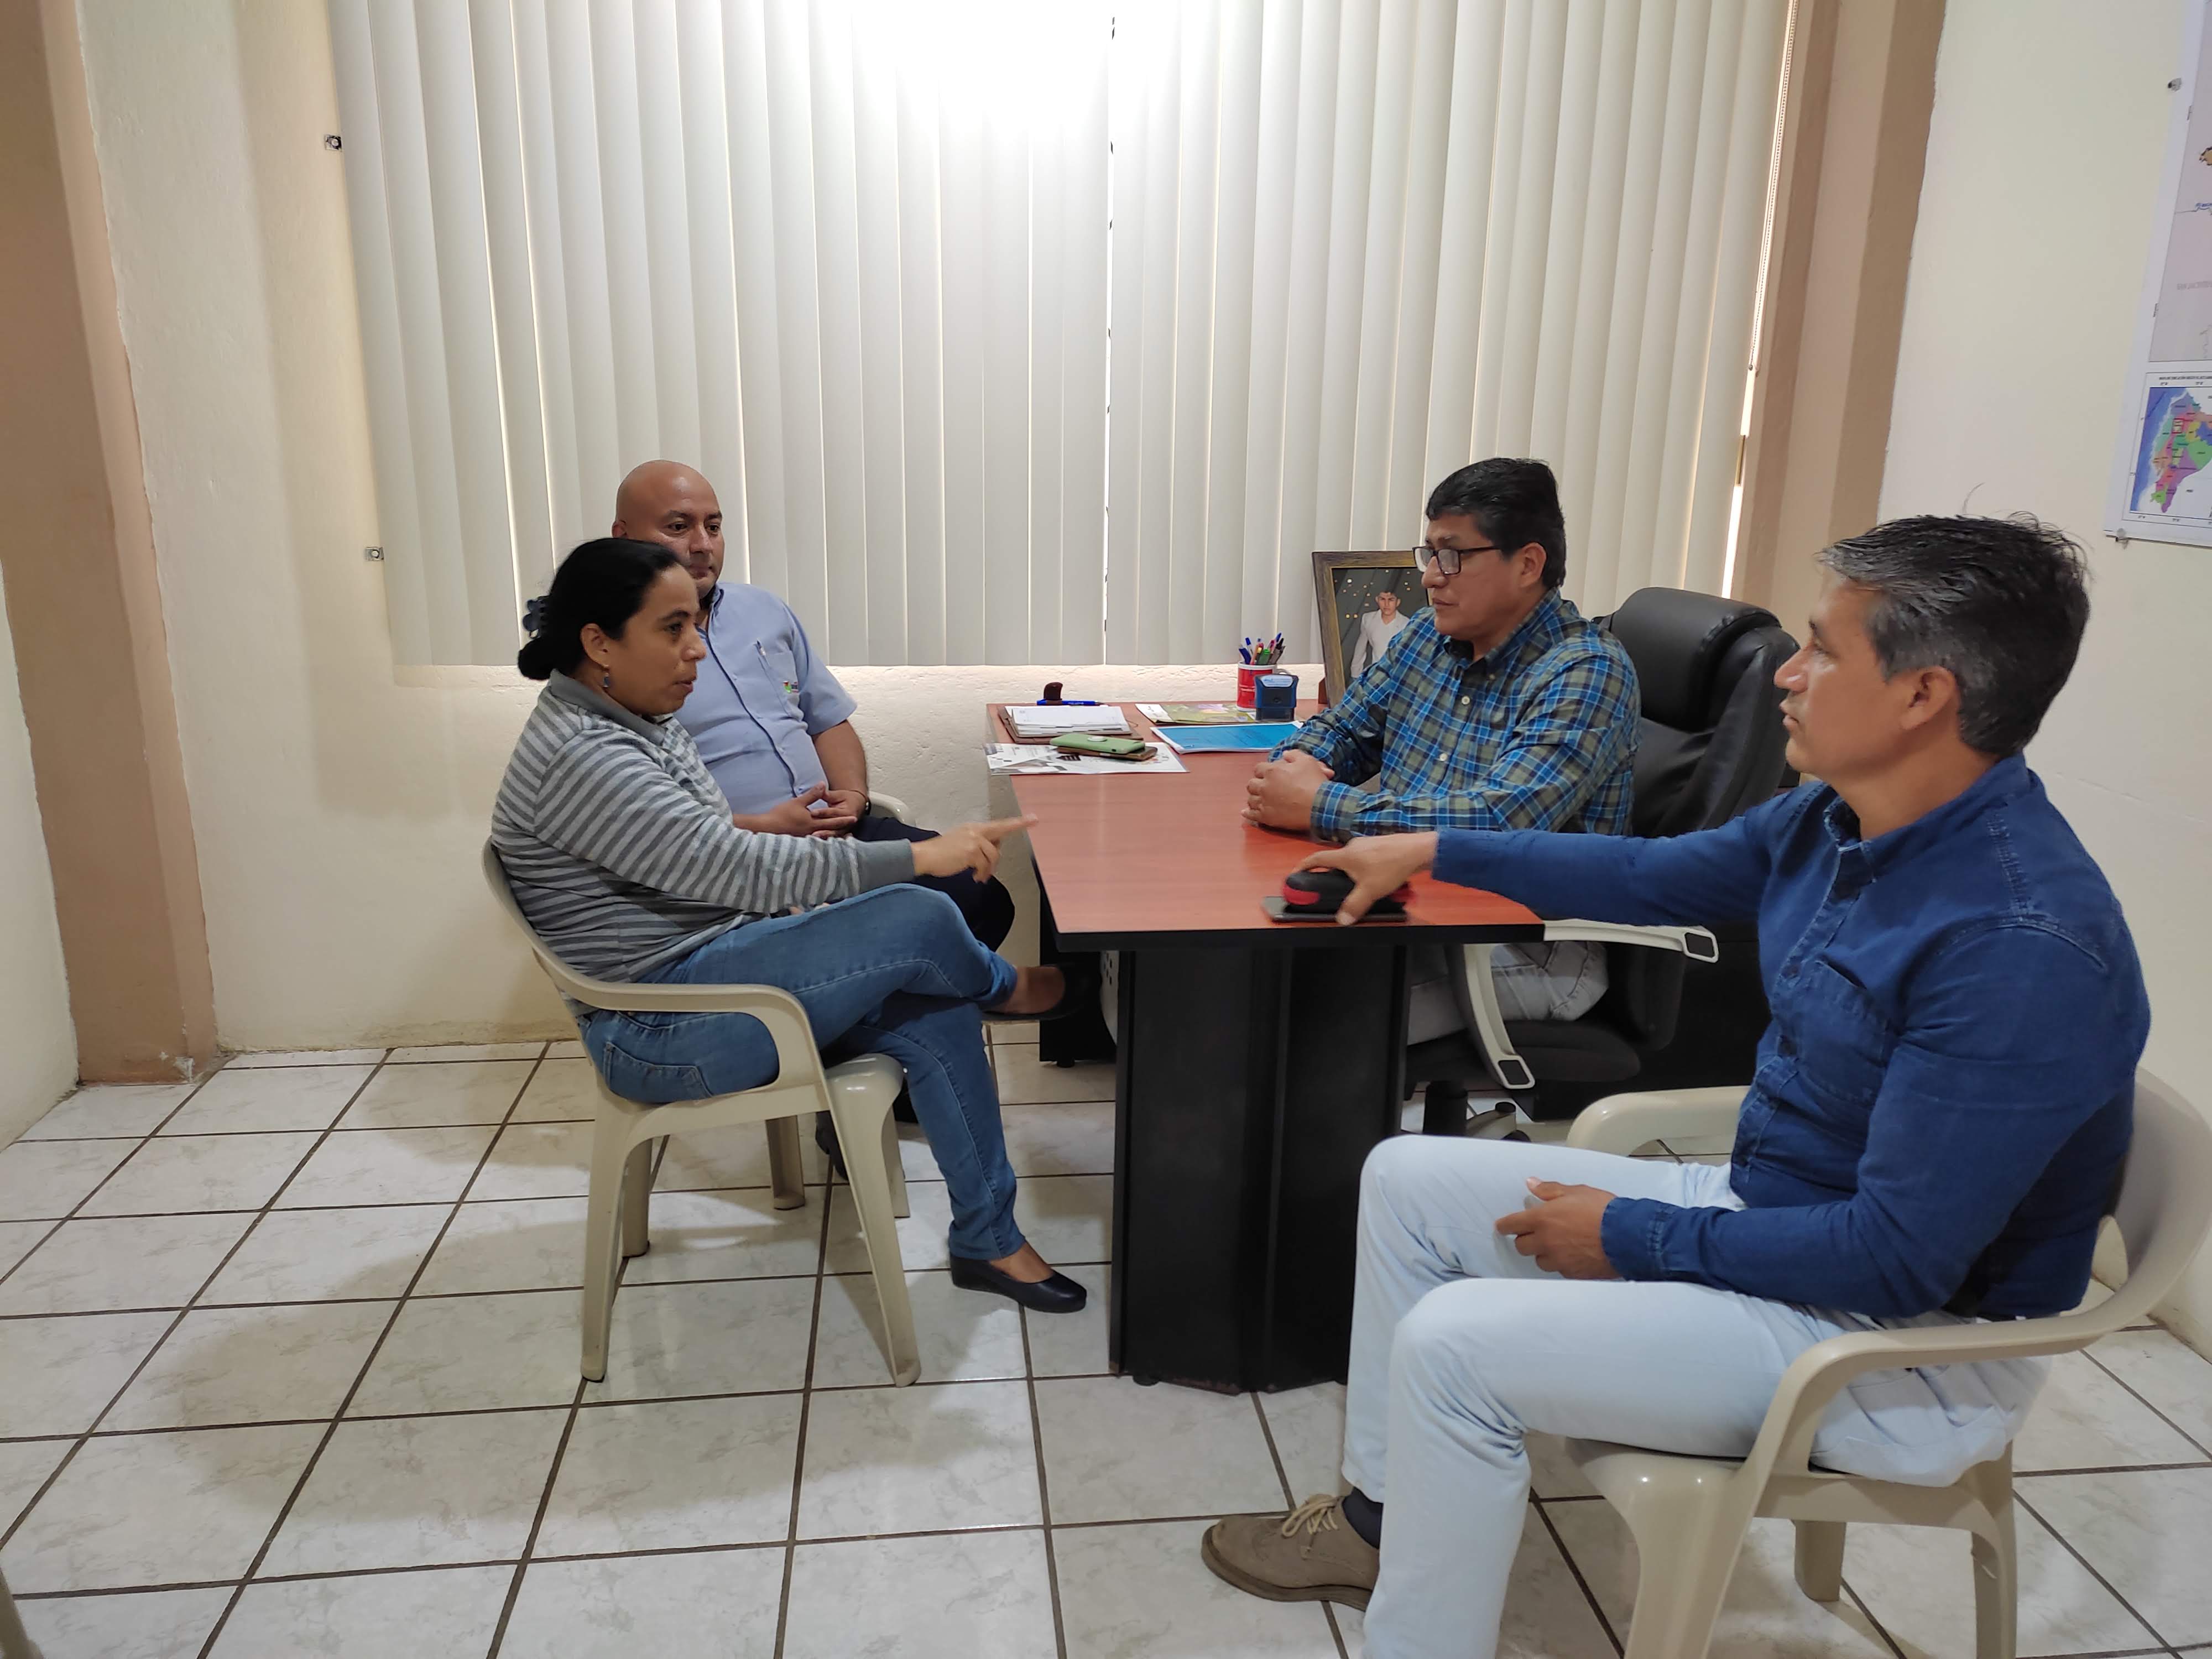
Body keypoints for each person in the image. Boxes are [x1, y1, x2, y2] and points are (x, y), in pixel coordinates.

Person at [1201, 515, 2146, 1658]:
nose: (1787, 675)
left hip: (1897, 1352)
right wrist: (1434, 849)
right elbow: (1650, 874)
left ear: (1921, 696)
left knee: (1452, 1347)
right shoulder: (1840, 821)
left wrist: (1630, 1235)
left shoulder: (2018, 944)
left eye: (1821, 649)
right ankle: (1379, 1527)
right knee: (1404, 1179)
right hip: (1783, 1219)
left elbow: (1895, 1262)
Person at [492, 537, 1085, 1313]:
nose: (696, 648)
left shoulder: (635, 716)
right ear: (599, 643)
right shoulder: (584, 754)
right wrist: (919, 857)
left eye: (695, 624)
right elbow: (737, 871)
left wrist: (768, 832)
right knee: (920, 911)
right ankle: (1001, 987)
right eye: (672, 628)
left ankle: (988, 1239)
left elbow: (688, 843)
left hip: (718, 968)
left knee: (935, 1008)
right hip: (658, 1029)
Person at [1248, 457, 1639, 1028]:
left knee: (1297, 1015)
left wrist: (1321, 804)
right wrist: (1295, 768)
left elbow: (1498, 824)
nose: (1431, 577)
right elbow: (1342, 729)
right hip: (1413, 904)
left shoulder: (1585, 671)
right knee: (1239, 970)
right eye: (1429, 554)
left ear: (1528, 564)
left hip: (1529, 940)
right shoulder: (1426, 639)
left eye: (1453, 556)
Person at [611, 460, 1016, 951]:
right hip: (744, 860)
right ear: (624, 537)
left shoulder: (763, 610)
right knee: (918, 930)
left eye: (713, 527)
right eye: (679, 527)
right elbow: (651, 823)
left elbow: (827, 720)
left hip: (837, 832)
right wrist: (764, 828)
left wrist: (853, 796)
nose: (702, 545)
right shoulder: (622, 657)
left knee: (980, 894)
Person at [1349, 585, 1412, 678]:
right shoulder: (1368, 619)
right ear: (1377, 600)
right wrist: (1356, 674)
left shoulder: (1406, 623)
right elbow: (1361, 647)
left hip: (1397, 674)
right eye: (1382, 599)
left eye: (1391, 600)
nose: (1386, 604)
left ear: (1398, 602)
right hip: (1376, 674)